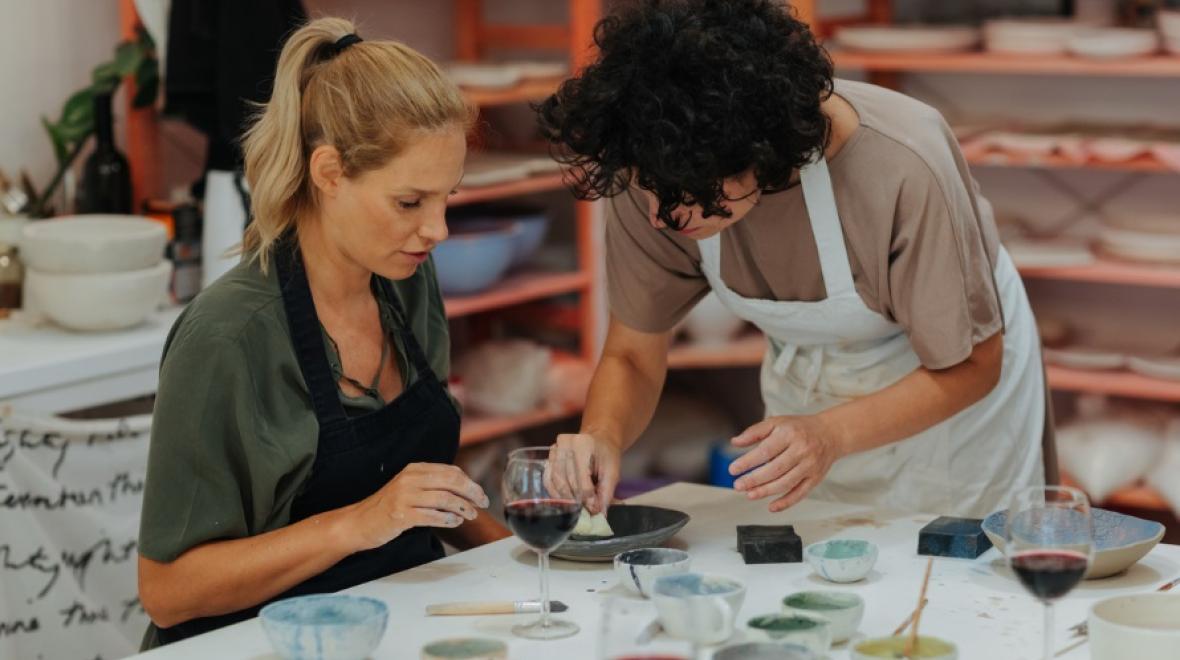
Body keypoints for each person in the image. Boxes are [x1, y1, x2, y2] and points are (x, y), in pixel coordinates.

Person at [537, 0, 1055, 519]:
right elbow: (632, 353)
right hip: (813, 403)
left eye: (688, 194)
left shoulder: (903, 164)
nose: (659, 217)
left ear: (762, 151)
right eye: (645, 187)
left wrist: (831, 433)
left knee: (951, 556)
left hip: (951, 399)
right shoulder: (656, 163)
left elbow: (973, 365)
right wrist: (602, 435)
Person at [136, 18, 509, 648]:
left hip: (393, 626)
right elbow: (168, 591)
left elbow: (422, 487)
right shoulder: (227, 337)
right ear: (329, 171)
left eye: (447, 197)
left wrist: (530, 559)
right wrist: (359, 523)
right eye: (410, 202)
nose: (438, 230)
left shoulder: (405, 279)